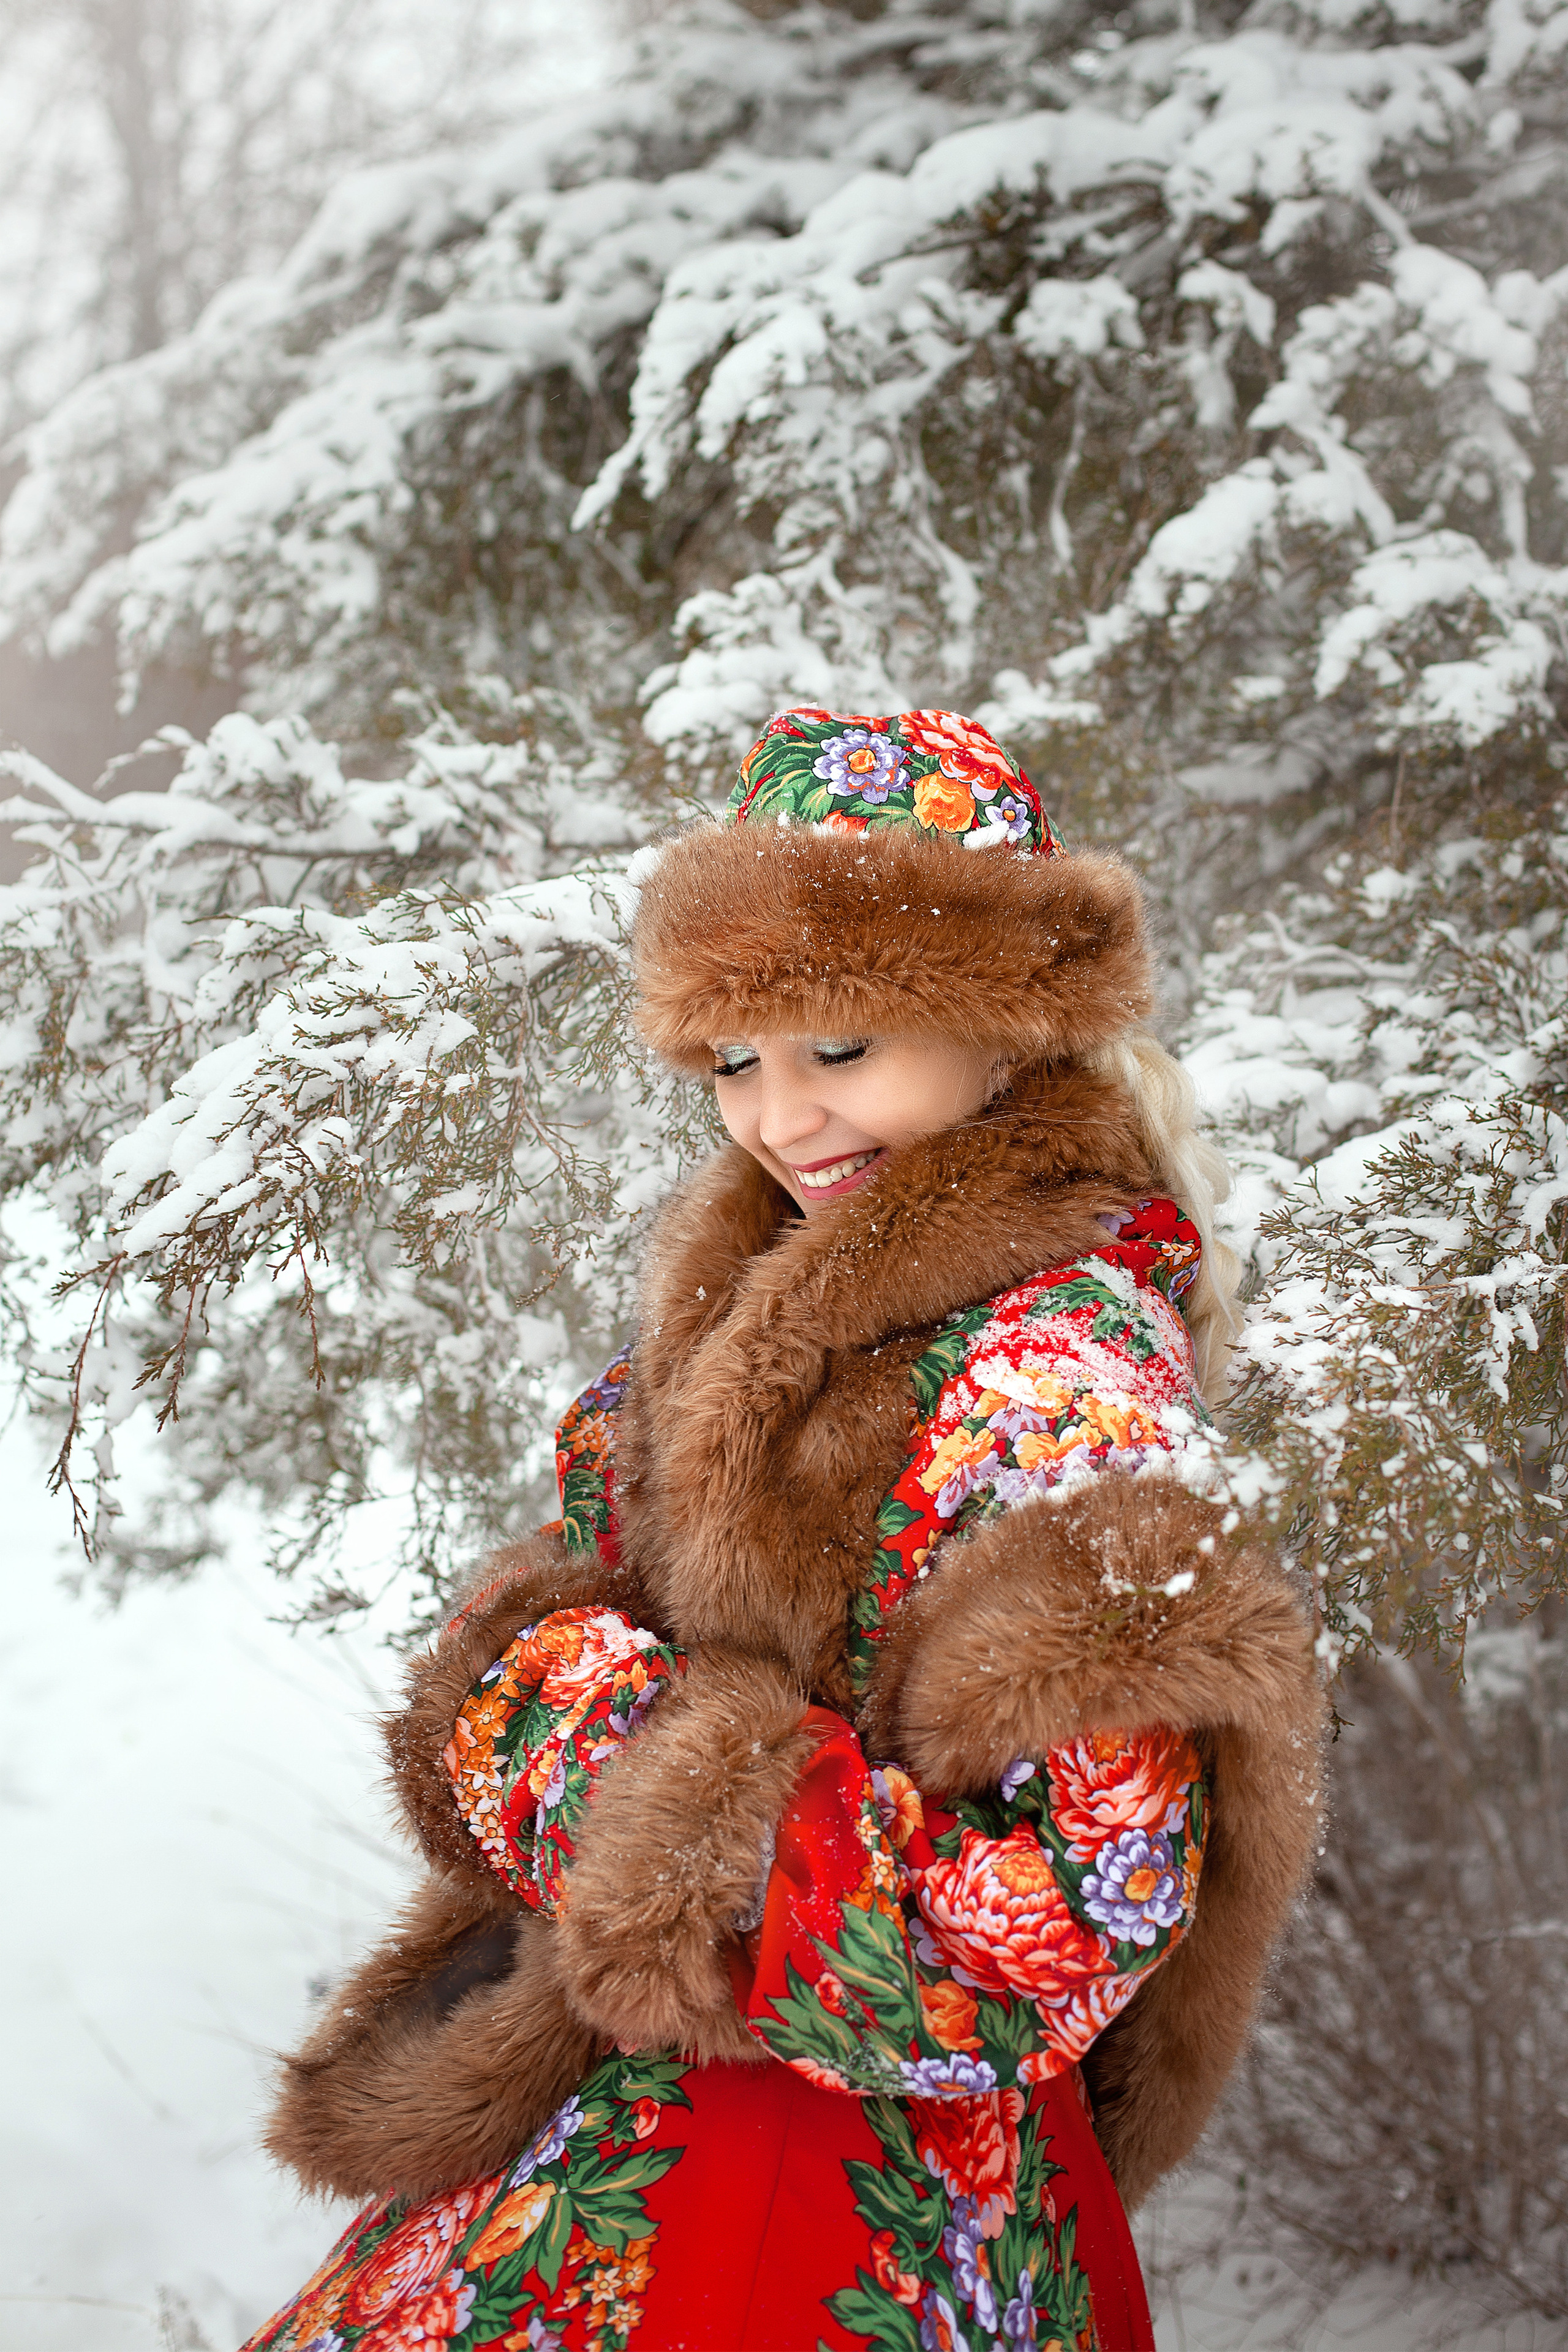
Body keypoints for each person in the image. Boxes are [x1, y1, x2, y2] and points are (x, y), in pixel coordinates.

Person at [244, 706, 1324, 2352]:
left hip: (850, 2197)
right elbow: (592, 1596)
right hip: (655, 2105)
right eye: (739, 1061)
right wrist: (541, 1689)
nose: (782, 1115)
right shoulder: (754, 1313)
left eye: (841, 1049)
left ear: (1009, 1020)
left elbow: (1065, 1923)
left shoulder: (1060, 1388)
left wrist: (607, 1758)